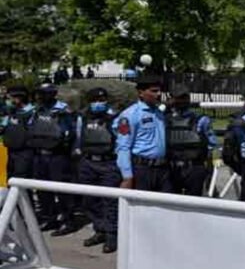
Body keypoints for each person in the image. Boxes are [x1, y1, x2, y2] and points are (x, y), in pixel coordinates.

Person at [74, 87, 121, 253]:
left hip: (109, 163)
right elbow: (79, 138)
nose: (98, 103)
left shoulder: (115, 116)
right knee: (90, 200)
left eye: (102, 100)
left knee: (110, 201)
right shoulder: (84, 116)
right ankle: (99, 230)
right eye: (95, 100)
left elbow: (122, 140)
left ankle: (112, 234)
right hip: (88, 163)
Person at [27, 83, 78, 235]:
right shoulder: (37, 109)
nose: (41, 97)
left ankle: (67, 220)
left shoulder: (64, 110)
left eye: (45, 94)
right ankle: (49, 218)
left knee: (62, 190)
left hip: (58, 156)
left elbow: (74, 132)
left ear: (53, 94)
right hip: (40, 155)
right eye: (40, 93)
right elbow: (31, 127)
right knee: (43, 190)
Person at [114, 75, 170, 192]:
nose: (159, 94)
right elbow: (123, 147)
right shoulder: (130, 115)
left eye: (160, 90)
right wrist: (127, 176)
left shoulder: (159, 113)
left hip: (162, 169)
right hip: (142, 170)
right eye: (154, 91)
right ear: (141, 93)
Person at [166, 86, 217, 196]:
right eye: (178, 98)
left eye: (184, 97)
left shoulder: (201, 119)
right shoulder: (165, 119)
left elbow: (211, 144)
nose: (181, 101)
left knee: (194, 202)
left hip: (194, 167)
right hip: (172, 167)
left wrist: (209, 168)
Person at [0, 86, 36, 182]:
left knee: (21, 180)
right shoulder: (11, 112)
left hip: (25, 153)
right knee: (10, 178)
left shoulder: (32, 112)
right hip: (11, 152)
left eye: (9, 98)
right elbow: (3, 127)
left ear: (18, 98)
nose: (8, 101)